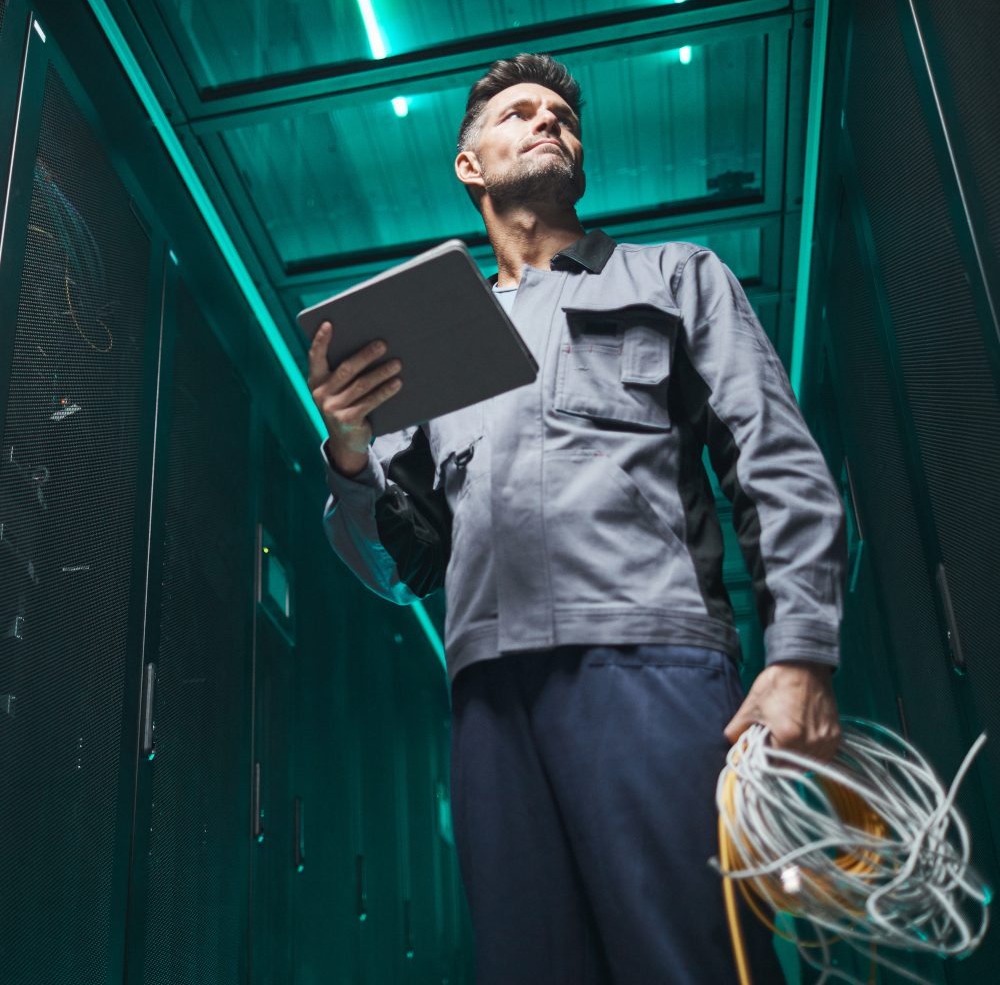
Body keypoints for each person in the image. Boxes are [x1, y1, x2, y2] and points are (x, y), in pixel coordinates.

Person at [309, 54, 845, 985]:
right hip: (488, 698)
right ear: (469, 167)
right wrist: (351, 447)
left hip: (651, 667)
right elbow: (401, 565)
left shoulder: (676, 276)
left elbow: (773, 458)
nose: (549, 121)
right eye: (519, 113)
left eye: (562, 114)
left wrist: (799, 654)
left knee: (691, 959)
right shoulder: (427, 346)